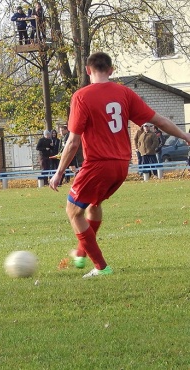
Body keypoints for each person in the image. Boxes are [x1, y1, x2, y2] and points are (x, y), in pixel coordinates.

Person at [49, 52, 190, 278]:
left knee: (73, 211)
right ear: (112, 70)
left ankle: (101, 267)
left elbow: (73, 141)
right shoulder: (124, 93)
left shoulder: (81, 96)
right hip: (122, 165)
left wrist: (58, 173)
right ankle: (81, 252)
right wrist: (184, 135)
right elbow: (159, 121)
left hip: (98, 164)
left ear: (87, 70)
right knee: (93, 205)